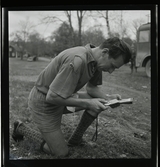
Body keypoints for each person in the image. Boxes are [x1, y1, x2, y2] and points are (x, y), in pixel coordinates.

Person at [14, 37, 132, 157]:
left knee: (101, 102)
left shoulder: (96, 61)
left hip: (62, 97)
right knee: (60, 152)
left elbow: (91, 89)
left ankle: (75, 139)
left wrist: (108, 98)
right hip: (43, 103)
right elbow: (51, 97)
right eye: (112, 65)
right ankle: (21, 128)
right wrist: (88, 103)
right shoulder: (77, 60)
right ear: (104, 52)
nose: (111, 71)